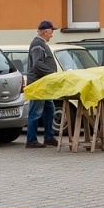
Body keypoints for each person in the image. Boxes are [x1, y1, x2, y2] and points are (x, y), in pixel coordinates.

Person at [25, 19, 59, 148]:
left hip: (44, 84)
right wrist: (52, 73)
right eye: (51, 32)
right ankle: (31, 140)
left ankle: (49, 137)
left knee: (50, 110)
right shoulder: (37, 44)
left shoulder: (41, 43)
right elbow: (37, 63)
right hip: (38, 84)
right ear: (45, 32)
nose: (52, 34)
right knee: (35, 112)